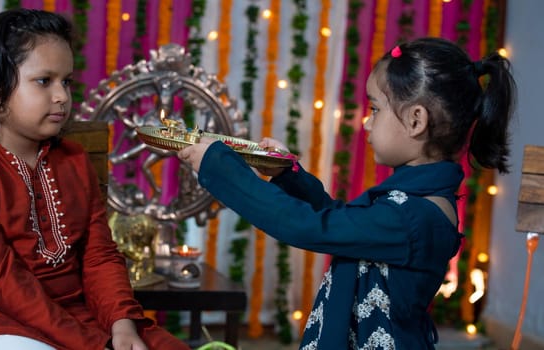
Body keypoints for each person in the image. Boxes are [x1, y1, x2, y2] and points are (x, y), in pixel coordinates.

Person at [178, 37, 516, 349]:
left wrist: (220, 169)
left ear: (416, 121)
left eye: (375, 109)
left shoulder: (413, 215)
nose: (367, 124)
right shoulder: (406, 201)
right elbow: (340, 223)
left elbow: (309, 226)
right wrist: (288, 174)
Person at [0, 9, 189, 350]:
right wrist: (93, 344)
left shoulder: (74, 160)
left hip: (82, 313)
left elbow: (99, 256)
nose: (62, 96)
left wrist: (121, 327)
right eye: (44, 81)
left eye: (66, 81)